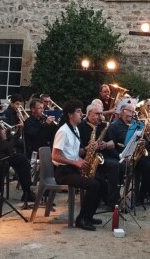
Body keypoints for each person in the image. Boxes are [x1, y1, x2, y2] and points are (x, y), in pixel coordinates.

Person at [52, 99, 103, 231]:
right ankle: (81, 219)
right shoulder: (63, 131)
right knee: (94, 185)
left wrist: (87, 150)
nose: (82, 114)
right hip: (63, 172)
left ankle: (89, 216)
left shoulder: (75, 129)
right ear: (70, 114)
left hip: (72, 168)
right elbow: (55, 156)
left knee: (100, 181)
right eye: (79, 112)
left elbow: (74, 152)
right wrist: (76, 162)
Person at [107, 102, 150, 207]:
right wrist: (121, 156)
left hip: (135, 156)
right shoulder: (114, 126)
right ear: (122, 112)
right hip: (121, 156)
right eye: (129, 111)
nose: (131, 114)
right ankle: (115, 199)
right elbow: (110, 147)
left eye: (133, 111)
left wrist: (144, 142)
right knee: (122, 168)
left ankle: (142, 195)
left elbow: (145, 139)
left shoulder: (136, 125)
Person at [78, 102, 119, 209]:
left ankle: (112, 201)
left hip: (101, 157)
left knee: (116, 166)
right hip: (86, 160)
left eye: (101, 114)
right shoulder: (81, 126)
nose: (100, 116)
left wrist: (104, 145)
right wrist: (89, 148)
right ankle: (105, 199)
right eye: (97, 114)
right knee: (106, 172)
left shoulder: (102, 125)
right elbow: (77, 151)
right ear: (89, 113)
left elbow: (112, 143)